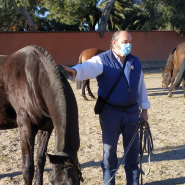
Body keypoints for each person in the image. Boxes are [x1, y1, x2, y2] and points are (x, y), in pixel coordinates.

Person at [63, 30, 150, 185]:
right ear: (114, 43)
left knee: (132, 153)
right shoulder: (102, 60)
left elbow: (141, 86)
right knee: (109, 153)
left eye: (130, 42)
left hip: (132, 113)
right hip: (110, 114)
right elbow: (87, 67)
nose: (128, 45)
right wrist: (75, 71)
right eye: (125, 42)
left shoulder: (135, 61)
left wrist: (144, 110)